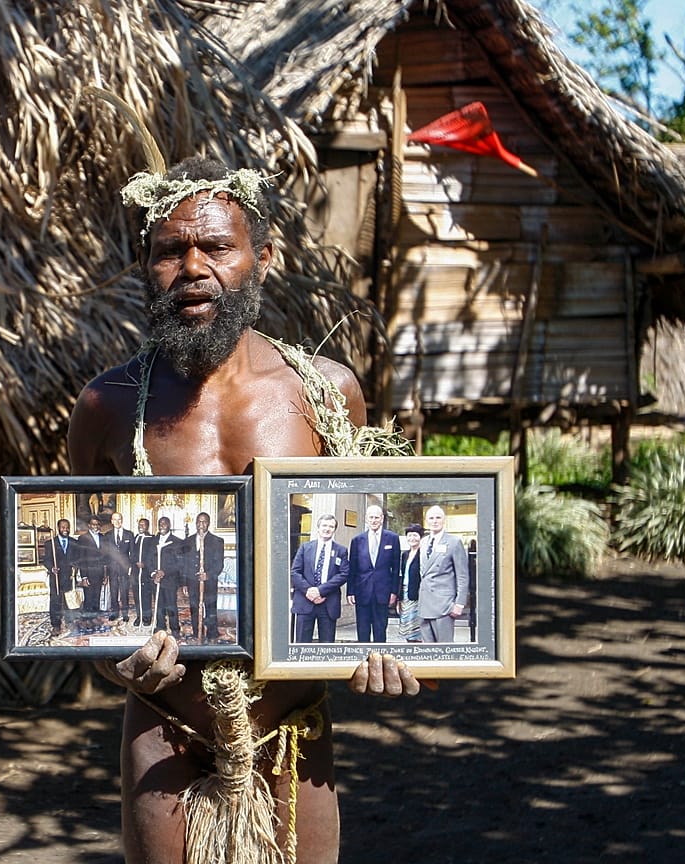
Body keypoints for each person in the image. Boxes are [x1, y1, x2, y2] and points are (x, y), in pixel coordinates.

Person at [67, 154, 417, 864]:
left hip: (293, 729)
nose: (193, 267)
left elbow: (363, 559)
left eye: (216, 246)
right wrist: (116, 661)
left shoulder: (326, 393)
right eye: (171, 251)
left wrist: (392, 648)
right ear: (149, 267)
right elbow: (84, 598)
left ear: (263, 257)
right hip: (164, 728)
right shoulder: (106, 407)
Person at [290, 513, 349, 643]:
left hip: (328, 603)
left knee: (326, 647)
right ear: (318, 528)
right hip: (305, 602)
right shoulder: (305, 547)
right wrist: (309, 591)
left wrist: (320, 591)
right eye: (324, 525)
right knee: (302, 645)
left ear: (334, 530)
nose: (327, 529)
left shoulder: (341, 550)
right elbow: (295, 572)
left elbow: (344, 574)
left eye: (331, 526)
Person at [347, 503, 400, 643]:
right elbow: (352, 568)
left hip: (383, 593)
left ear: (382, 518)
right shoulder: (357, 540)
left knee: (380, 631)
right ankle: (364, 662)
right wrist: (350, 591)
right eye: (371, 517)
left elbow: (396, 568)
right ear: (366, 519)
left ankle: (379, 661)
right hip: (362, 592)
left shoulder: (392, 538)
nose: (374, 520)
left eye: (377, 517)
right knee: (362, 631)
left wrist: (394, 592)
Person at [418, 505, 471, 643]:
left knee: (444, 651)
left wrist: (459, 603)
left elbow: (462, 576)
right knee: (427, 652)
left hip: (444, 605)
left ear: (444, 520)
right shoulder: (423, 542)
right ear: (426, 521)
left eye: (438, 517)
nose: (434, 521)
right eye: (431, 518)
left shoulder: (454, 542)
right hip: (424, 604)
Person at [188, 511, 224, 642]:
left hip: (209, 582)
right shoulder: (188, 541)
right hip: (192, 581)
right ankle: (197, 633)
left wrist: (208, 575)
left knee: (210, 607)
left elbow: (219, 564)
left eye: (203, 522)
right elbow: (184, 563)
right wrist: (186, 582)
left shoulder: (217, 541)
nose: (201, 524)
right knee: (194, 607)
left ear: (208, 523)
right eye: (198, 521)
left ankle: (212, 633)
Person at [76, 514, 111, 632]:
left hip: (100, 573)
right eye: (93, 524)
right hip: (89, 573)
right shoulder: (82, 538)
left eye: (97, 524)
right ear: (89, 525)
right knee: (89, 597)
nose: (95, 526)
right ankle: (86, 620)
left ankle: (94, 617)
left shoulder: (103, 537)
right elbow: (81, 559)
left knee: (96, 596)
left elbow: (106, 557)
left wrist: (105, 575)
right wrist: (84, 577)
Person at [149, 515, 183, 634]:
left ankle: (174, 628)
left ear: (169, 525)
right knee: (159, 604)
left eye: (164, 523)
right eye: (160, 524)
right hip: (156, 580)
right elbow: (148, 559)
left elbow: (179, 563)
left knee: (171, 604)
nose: (161, 526)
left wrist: (164, 572)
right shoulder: (152, 541)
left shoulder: (177, 542)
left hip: (170, 579)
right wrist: (154, 573)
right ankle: (160, 627)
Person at [44, 518, 77, 636]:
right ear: (59, 528)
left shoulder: (74, 542)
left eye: (67, 527)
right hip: (55, 577)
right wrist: (52, 568)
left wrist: (75, 567)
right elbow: (46, 560)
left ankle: (69, 621)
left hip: (68, 576)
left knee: (68, 600)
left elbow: (77, 559)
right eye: (63, 527)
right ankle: (56, 625)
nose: (66, 529)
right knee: (55, 601)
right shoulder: (50, 543)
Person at [107, 510, 136, 623]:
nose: (117, 521)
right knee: (113, 591)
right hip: (112, 567)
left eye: (119, 519)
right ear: (111, 521)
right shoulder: (108, 535)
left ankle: (125, 614)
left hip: (125, 568)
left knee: (124, 592)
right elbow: (106, 553)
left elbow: (133, 553)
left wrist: (130, 567)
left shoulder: (129, 534)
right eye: (115, 519)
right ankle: (114, 613)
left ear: (122, 521)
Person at [397, 523, 424, 642]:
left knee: (417, 629)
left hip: (418, 595)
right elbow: (401, 575)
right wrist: (399, 598)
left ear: (421, 537)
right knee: (407, 628)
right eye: (409, 535)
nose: (412, 538)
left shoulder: (423, 554)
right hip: (405, 594)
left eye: (415, 535)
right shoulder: (405, 555)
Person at [131, 516, 157, 626]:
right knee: (136, 594)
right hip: (136, 572)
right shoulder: (135, 537)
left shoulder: (151, 539)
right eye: (139, 524)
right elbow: (132, 553)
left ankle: (147, 617)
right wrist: (135, 563)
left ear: (147, 526)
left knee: (146, 595)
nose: (141, 526)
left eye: (143, 525)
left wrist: (145, 564)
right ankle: (139, 616)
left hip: (146, 572)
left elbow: (153, 555)